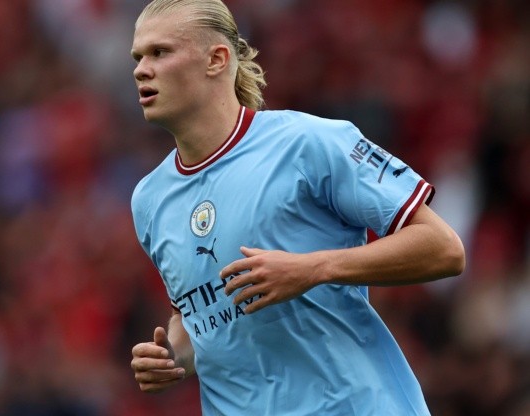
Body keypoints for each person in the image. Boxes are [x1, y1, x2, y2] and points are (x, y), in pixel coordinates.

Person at [128, 0, 465, 414]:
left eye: (159, 52)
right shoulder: (149, 200)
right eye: (138, 57)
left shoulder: (310, 143)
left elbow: (443, 248)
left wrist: (314, 269)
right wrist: (174, 358)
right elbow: (203, 313)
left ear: (216, 60)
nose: (141, 69)